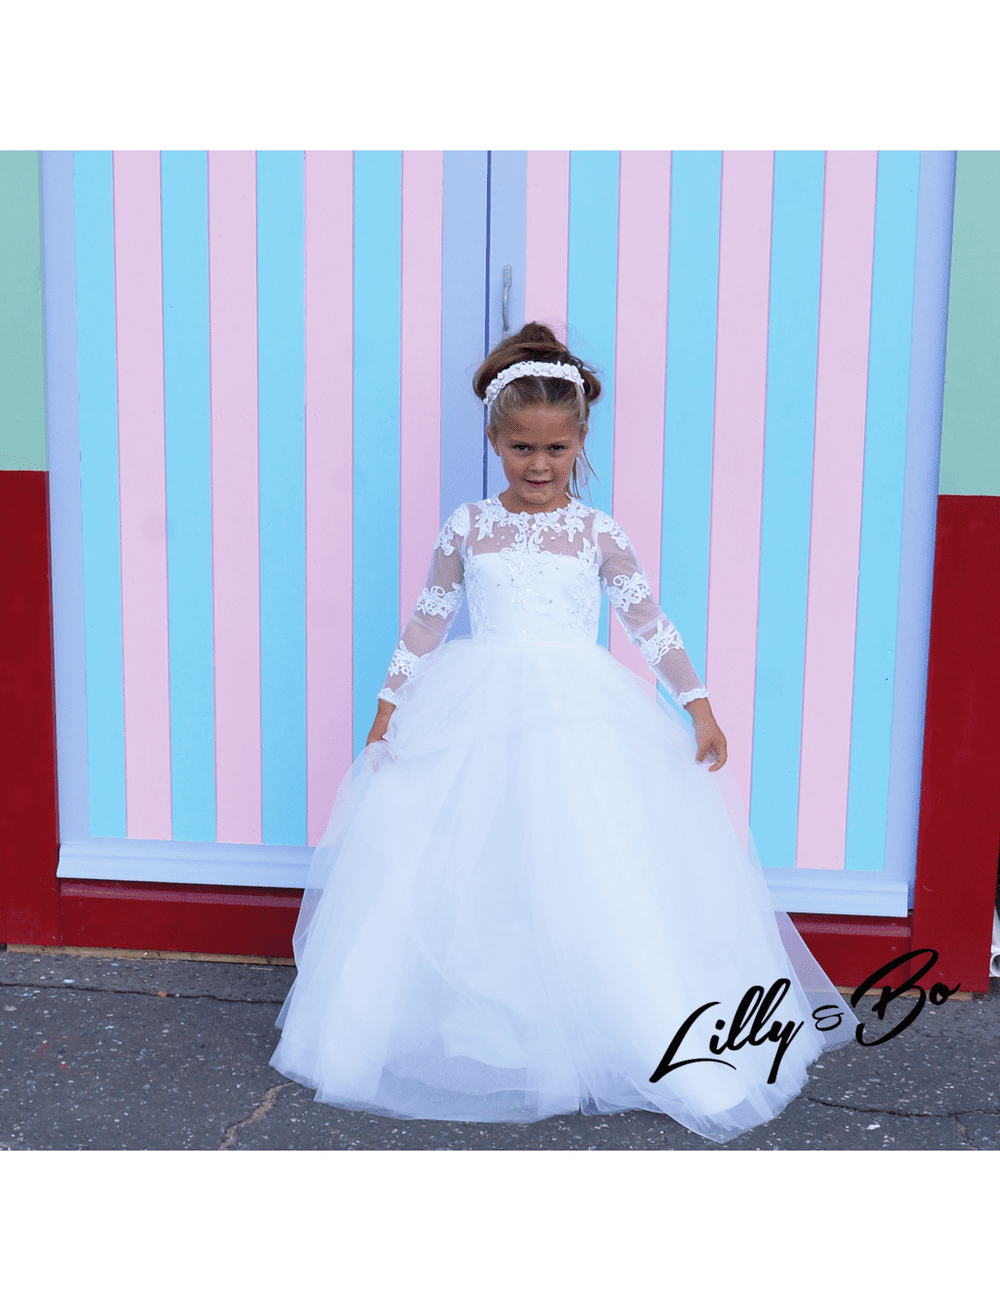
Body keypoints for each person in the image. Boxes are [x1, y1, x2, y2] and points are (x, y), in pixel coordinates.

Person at [269, 322, 858, 1143]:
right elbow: (428, 621)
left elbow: (648, 622)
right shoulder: (468, 526)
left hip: (578, 717)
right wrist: (388, 705)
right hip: (477, 714)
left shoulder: (596, 532)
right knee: (480, 862)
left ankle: (621, 1027)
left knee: (588, 859)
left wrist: (697, 703)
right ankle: (490, 1026)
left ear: (580, 441)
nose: (538, 465)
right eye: (521, 448)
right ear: (494, 440)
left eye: (555, 448)